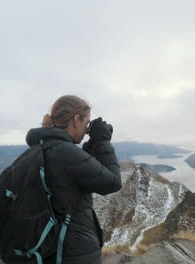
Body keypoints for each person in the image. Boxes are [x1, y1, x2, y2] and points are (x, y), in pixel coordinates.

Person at [25, 95, 122, 264]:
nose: (87, 129)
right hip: (73, 252)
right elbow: (112, 182)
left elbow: (79, 171)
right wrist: (102, 140)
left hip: (54, 248)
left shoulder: (43, 147)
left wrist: (92, 144)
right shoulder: (64, 152)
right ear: (77, 119)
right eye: (87, 122)